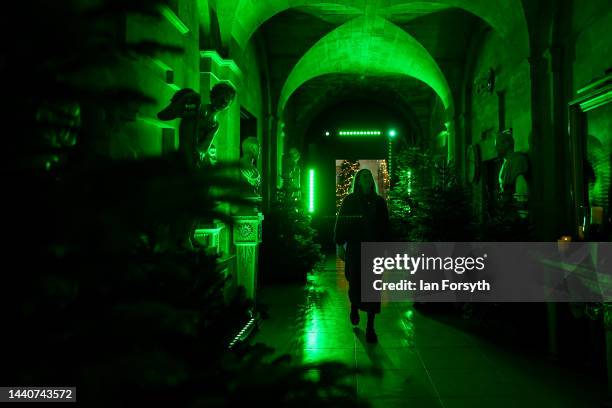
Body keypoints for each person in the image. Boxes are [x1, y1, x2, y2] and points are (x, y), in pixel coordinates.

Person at [334, 168, 391, 343]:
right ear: (358, 181)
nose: (367, 178)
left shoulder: (379, 202)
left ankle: (370, 327)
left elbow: (385, 226)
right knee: (355, 281)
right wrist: (339, 244)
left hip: (374, 249)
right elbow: (342, 222)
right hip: (355, 248)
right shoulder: (350, 200)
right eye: (363, 176)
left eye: (369, 176)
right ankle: (354, 307)